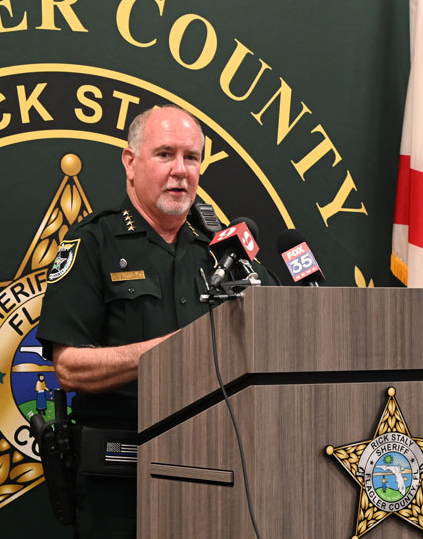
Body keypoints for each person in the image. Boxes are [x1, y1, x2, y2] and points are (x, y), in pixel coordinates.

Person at [37, 105, 271, 538]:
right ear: (131, 163)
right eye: (165, 154)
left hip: (218, 469)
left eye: (192, 157)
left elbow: (281, 332)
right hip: (122, 478)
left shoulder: (223, 252)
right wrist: (178, 348)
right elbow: (69, 367)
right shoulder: (94, 245)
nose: (181, 171)